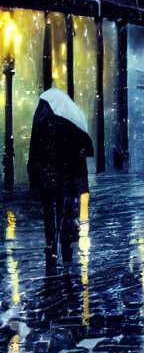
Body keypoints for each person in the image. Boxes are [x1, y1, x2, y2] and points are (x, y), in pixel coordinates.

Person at [27, 90, 93, 266]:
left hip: (46, 178)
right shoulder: (68, 126)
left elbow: (34, 151)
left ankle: (51, 243)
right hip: (61, 178)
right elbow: (75, 158)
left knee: (49, 212)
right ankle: (63, 245)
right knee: (62, 212)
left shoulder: (41, 124)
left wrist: (33, 173)